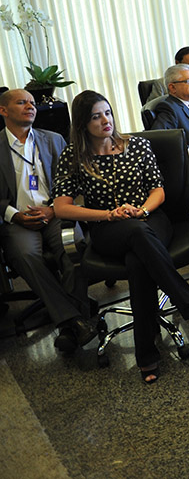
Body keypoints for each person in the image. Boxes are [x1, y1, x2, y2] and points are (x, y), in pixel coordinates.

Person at [52, 91, 189, 384]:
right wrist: (109, 215)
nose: (105, 120)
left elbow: (158, 190)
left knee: (138, 258)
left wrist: (140, 211)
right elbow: (61, 207)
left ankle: (146, 354)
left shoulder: (138, 145)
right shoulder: (73, 156)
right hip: (107, 227)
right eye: (95, 117)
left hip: (150, 217)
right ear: (82, 124)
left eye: (107, 113)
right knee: (137, 236)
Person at [0, 89, 95, 353]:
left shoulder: (53, 140)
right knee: (25, 255)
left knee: (73, 246)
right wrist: (14, 214)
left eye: (32, 103)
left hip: (55, 212)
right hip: (17, 219)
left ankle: (69, 326)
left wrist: (54, 209)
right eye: (22, 102)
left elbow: (75, 182)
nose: (30, 106)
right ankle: (76, 320)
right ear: (3, 111)